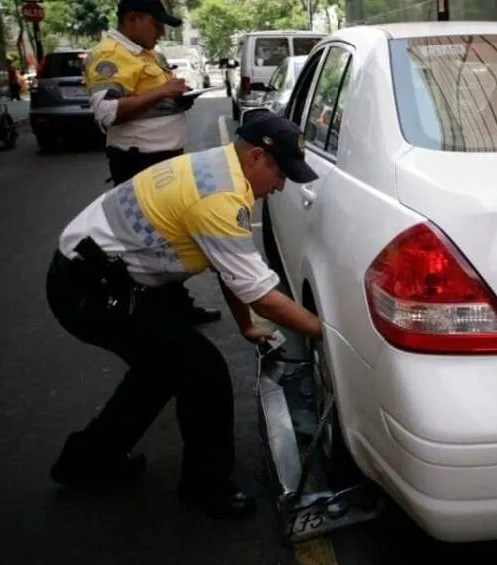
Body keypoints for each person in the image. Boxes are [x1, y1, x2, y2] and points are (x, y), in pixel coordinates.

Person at [46, 112, 323, 519]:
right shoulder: (219, 198)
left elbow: (229, 266)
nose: (281, 186)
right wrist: (327, 333)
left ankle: (86, 461)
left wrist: (246, 324)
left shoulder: (220, 168)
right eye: (281, 173)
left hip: (99, 276)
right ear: (258, 158)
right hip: (90, 289)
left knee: (159, 370)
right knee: (201, 371)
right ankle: (205, 487)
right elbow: (262, 294)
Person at [84, 0, 219, 325]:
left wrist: (175, 99)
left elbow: (148, 102)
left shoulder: (144, 53)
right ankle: (154, 312)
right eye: (156, 25)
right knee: (152, 242)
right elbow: (106, 113)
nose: (161, 32)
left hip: (161, 160)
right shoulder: (109, 55)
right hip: (139, 163)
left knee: (167, 238)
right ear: (133, 19)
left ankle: (173, 307)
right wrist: (162, 93)